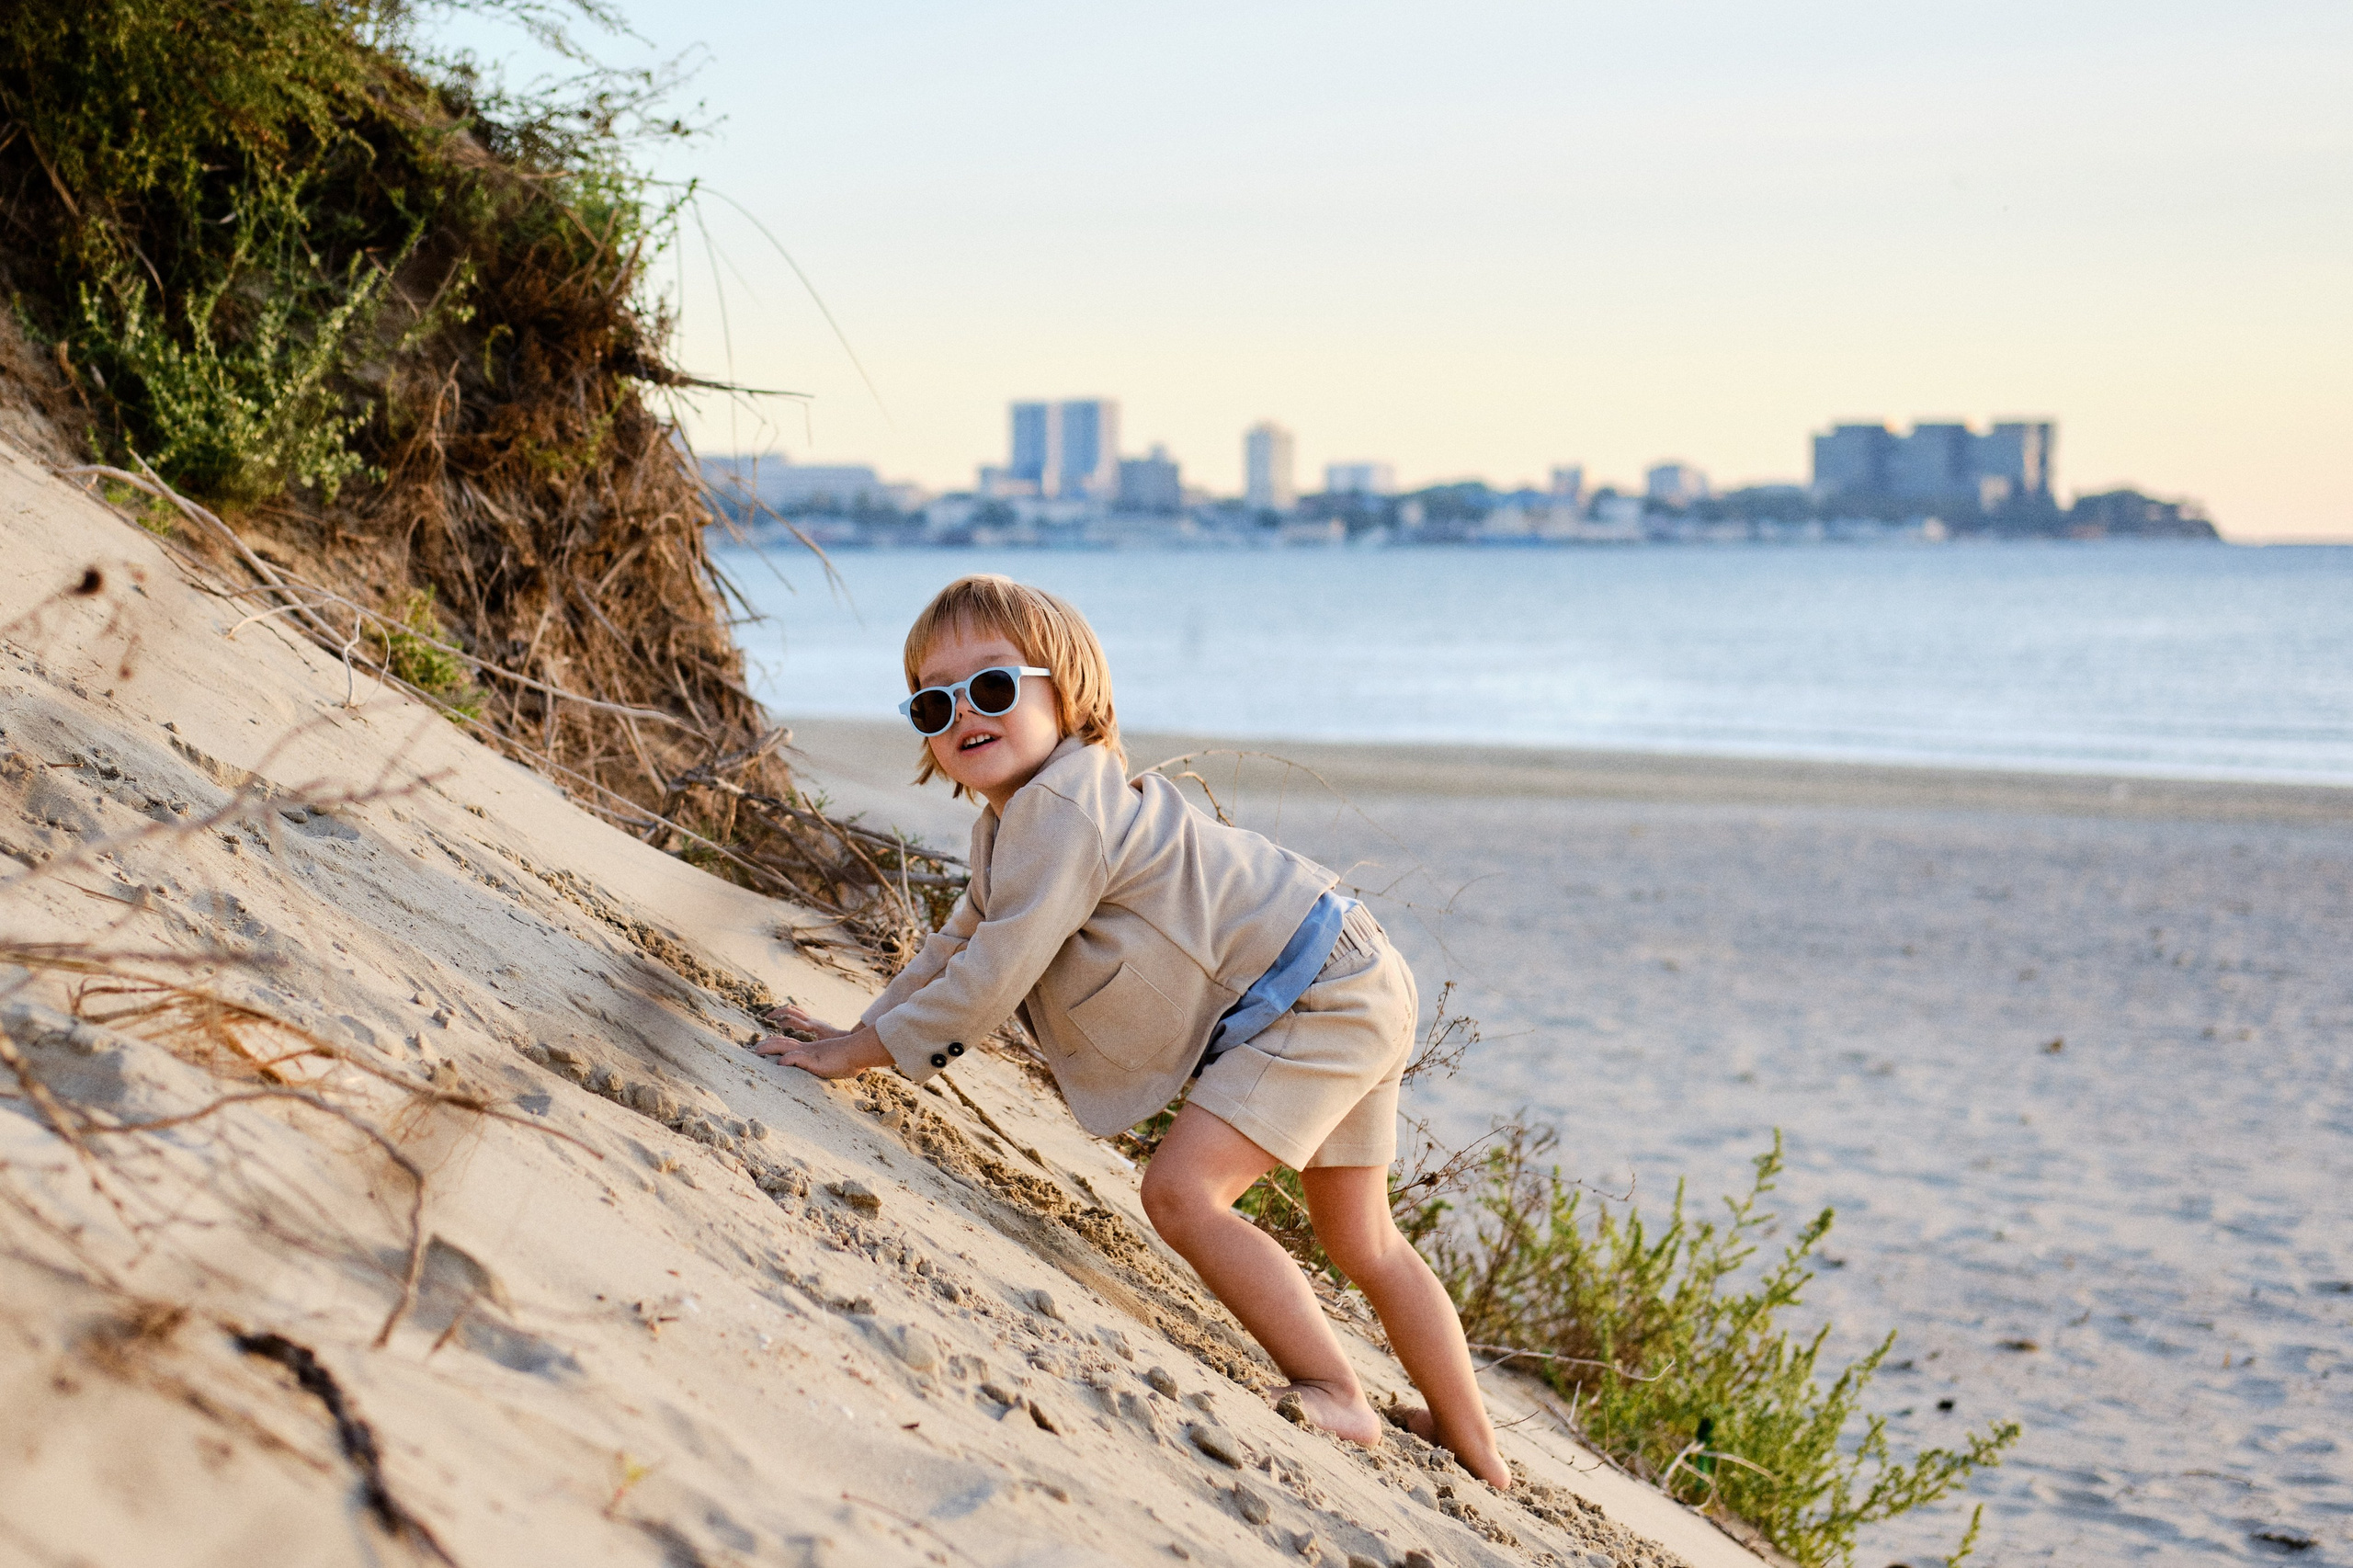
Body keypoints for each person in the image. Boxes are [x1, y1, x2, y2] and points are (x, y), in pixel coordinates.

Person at [755, 574, 1507, 1487]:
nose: (963, 713)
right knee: (1365, 1242)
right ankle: (1480, 1451)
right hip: (1341, 969)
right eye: (932, 701)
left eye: (993, 686)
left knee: (1183, 1195)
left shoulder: (1067, 808)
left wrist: (859, 1053)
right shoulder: (1019, 821)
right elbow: (957, 943)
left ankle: (1333, 1387)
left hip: (1316, 991)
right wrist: (859, 1028)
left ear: (1070, 693)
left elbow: (992, 975)